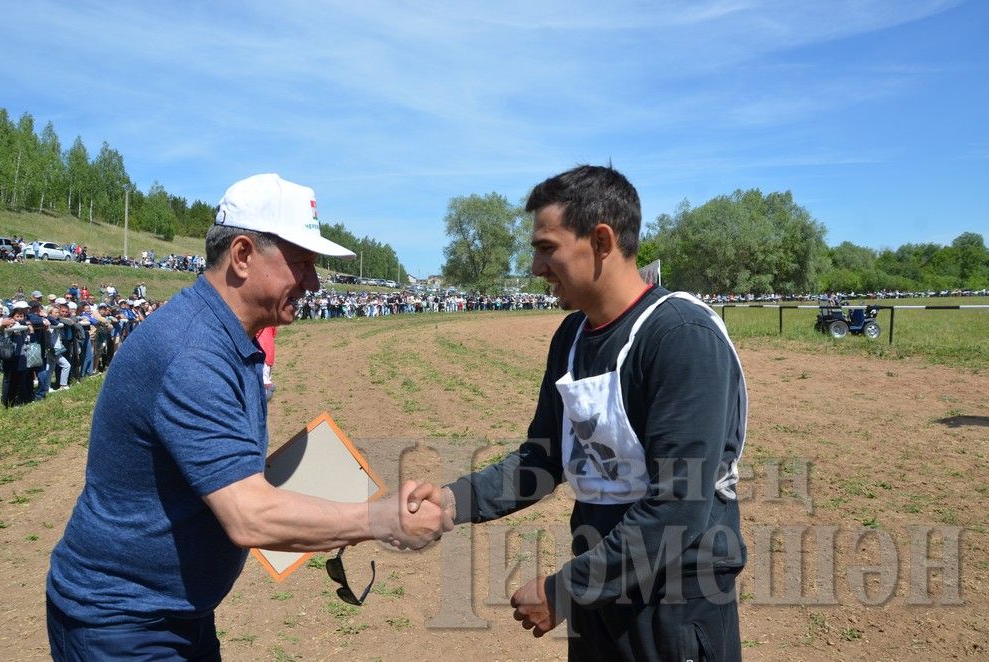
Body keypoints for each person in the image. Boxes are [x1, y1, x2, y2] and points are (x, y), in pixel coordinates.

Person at [46, 173, 447, 660]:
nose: (314, 283)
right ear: (241, 255)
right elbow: (248, 515)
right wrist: (381, 519)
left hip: (172, 613)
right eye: (301, 263)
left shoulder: (227, 338)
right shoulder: (193, 354)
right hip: (123, 622)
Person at [409, 165, 748, 661]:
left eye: (547, 248)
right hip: (603, 591)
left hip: (676, 604)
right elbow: (545, 458)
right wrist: (453, 500)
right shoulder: (571, 337)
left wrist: (567, 589)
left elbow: (679, 506)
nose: (536, 268)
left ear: (602, 240)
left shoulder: (679, 338)